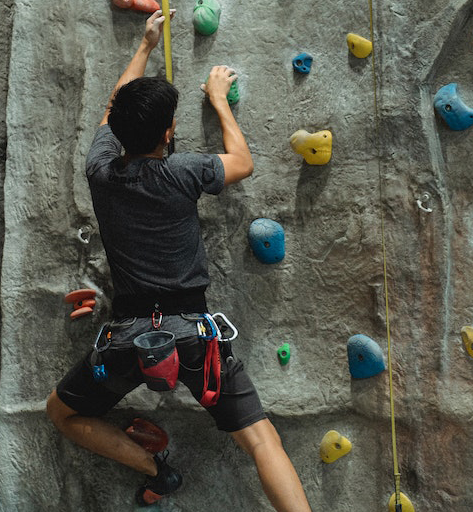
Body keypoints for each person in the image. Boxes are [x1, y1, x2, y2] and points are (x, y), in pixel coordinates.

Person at [46, 10, 312, 512]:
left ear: (119, 135)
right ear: (169, 133)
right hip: (193, 334)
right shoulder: (185, 173)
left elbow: (111, 110)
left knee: (61, 414)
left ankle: (157, 471)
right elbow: (243, 162)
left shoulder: (100, 171)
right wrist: (217, 101)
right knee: (261, 441)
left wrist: (145, 47)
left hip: (129, 338)